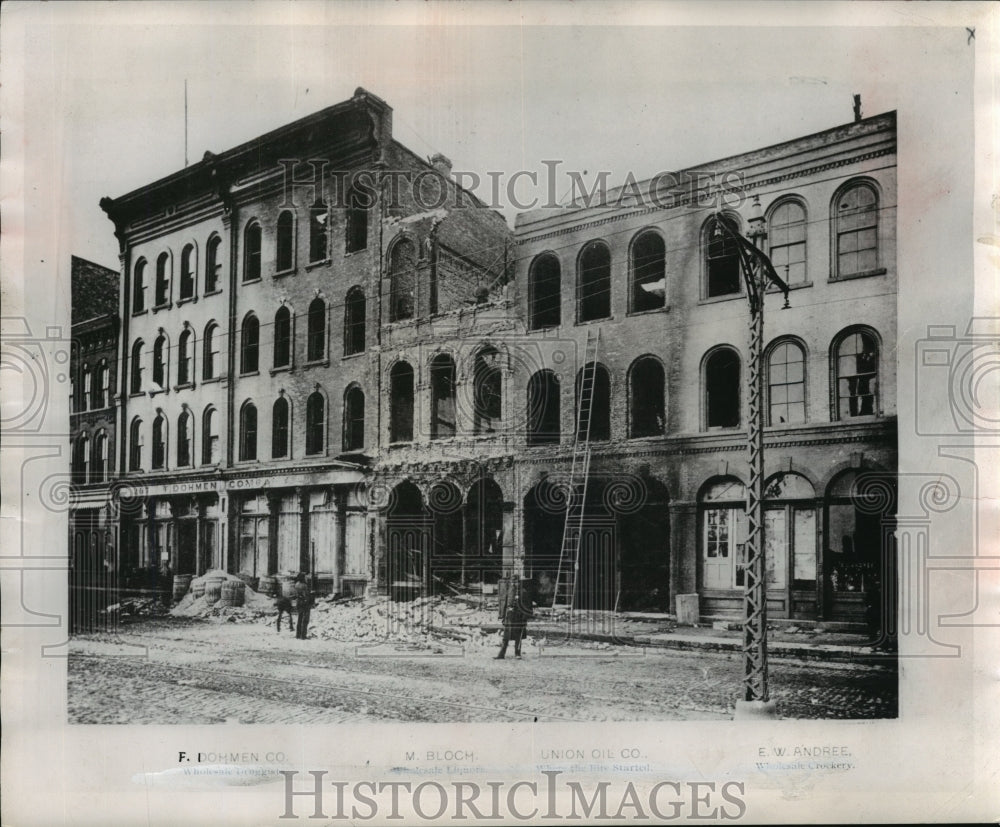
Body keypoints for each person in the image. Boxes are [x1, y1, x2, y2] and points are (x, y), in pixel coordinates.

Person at [495, 577, 534, 659]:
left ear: (519, 583)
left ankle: (517, 654)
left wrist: (525, 616)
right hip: (509, 616)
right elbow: (504, 603)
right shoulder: (508, 591)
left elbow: (527, 605)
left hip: (519, 616)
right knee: (506, 636)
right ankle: (501, 654)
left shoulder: (524, 592)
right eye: (513, 582)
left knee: (518, 636)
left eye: (516, 582)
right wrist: (502, 615)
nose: (514, 584)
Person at [294, 573, 313, 640]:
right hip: (305, 603)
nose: (306, 578)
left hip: (299, 602)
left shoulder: (296, 584)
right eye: (305, 577)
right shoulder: (304, 585)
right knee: (305, 620)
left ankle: (298, 635)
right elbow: (306, 595)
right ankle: (303, 635)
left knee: (299, 618)